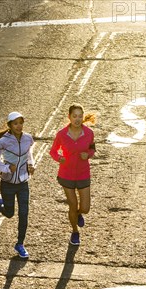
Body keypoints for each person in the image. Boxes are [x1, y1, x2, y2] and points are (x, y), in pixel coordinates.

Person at [0, 111, 35, 259]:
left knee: (24, 213)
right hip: (8, 183)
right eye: (15, 123)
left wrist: (31, 164)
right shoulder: (3, 141)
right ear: (10, 125)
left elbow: (29, 154)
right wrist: (7, 168)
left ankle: (20, 244)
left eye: (21, 123)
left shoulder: (28, 138)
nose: (19, 126)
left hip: (22, 182)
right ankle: (0, 205)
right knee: (9, 213)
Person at [49, 103, 96, 246]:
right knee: (72, 205)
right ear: (69, 117)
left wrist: (87, 154)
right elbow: (53, 151)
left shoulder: (89, 133)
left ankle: (79, 214)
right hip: (66, 175)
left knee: (85, 208)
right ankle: (75, 232)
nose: (77, 119)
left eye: (80, 116)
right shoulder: (62, 134)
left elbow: (93, 149)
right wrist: (59, 158)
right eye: (74, 116)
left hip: (83, 174)